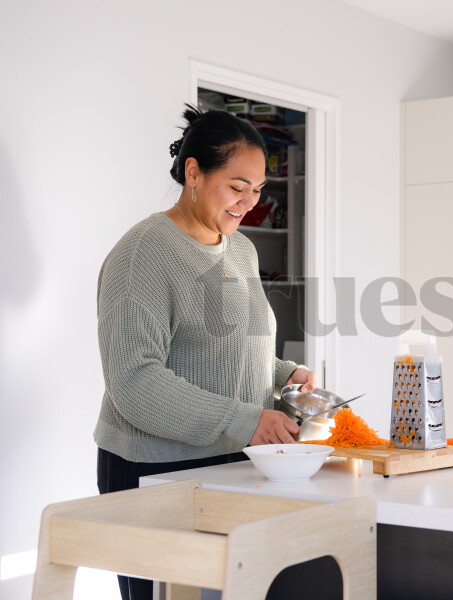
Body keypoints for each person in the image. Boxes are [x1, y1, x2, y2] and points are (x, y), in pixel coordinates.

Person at [93, 105, 315, 600]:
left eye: (257, 190)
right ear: (194, 172)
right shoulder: (143, 254)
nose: (250, 203)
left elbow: (231, 348)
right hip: (153, 469)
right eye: (237, 187)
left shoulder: (241, 250)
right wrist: (245, 419)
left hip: (231, 461)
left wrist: (284, 376)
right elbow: (135, 381)